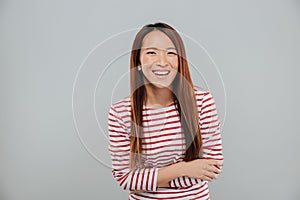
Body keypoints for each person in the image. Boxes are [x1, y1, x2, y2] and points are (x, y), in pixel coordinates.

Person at [107, 22, 224, 200]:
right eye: (151, 52)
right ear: (138, 61)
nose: (162, 62)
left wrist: (146, 180)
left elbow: (211, 167)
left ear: (180, 61)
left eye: (170, 53)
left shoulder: (202, 102)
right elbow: (125, 178)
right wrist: (183, 169)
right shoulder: (120, 113)